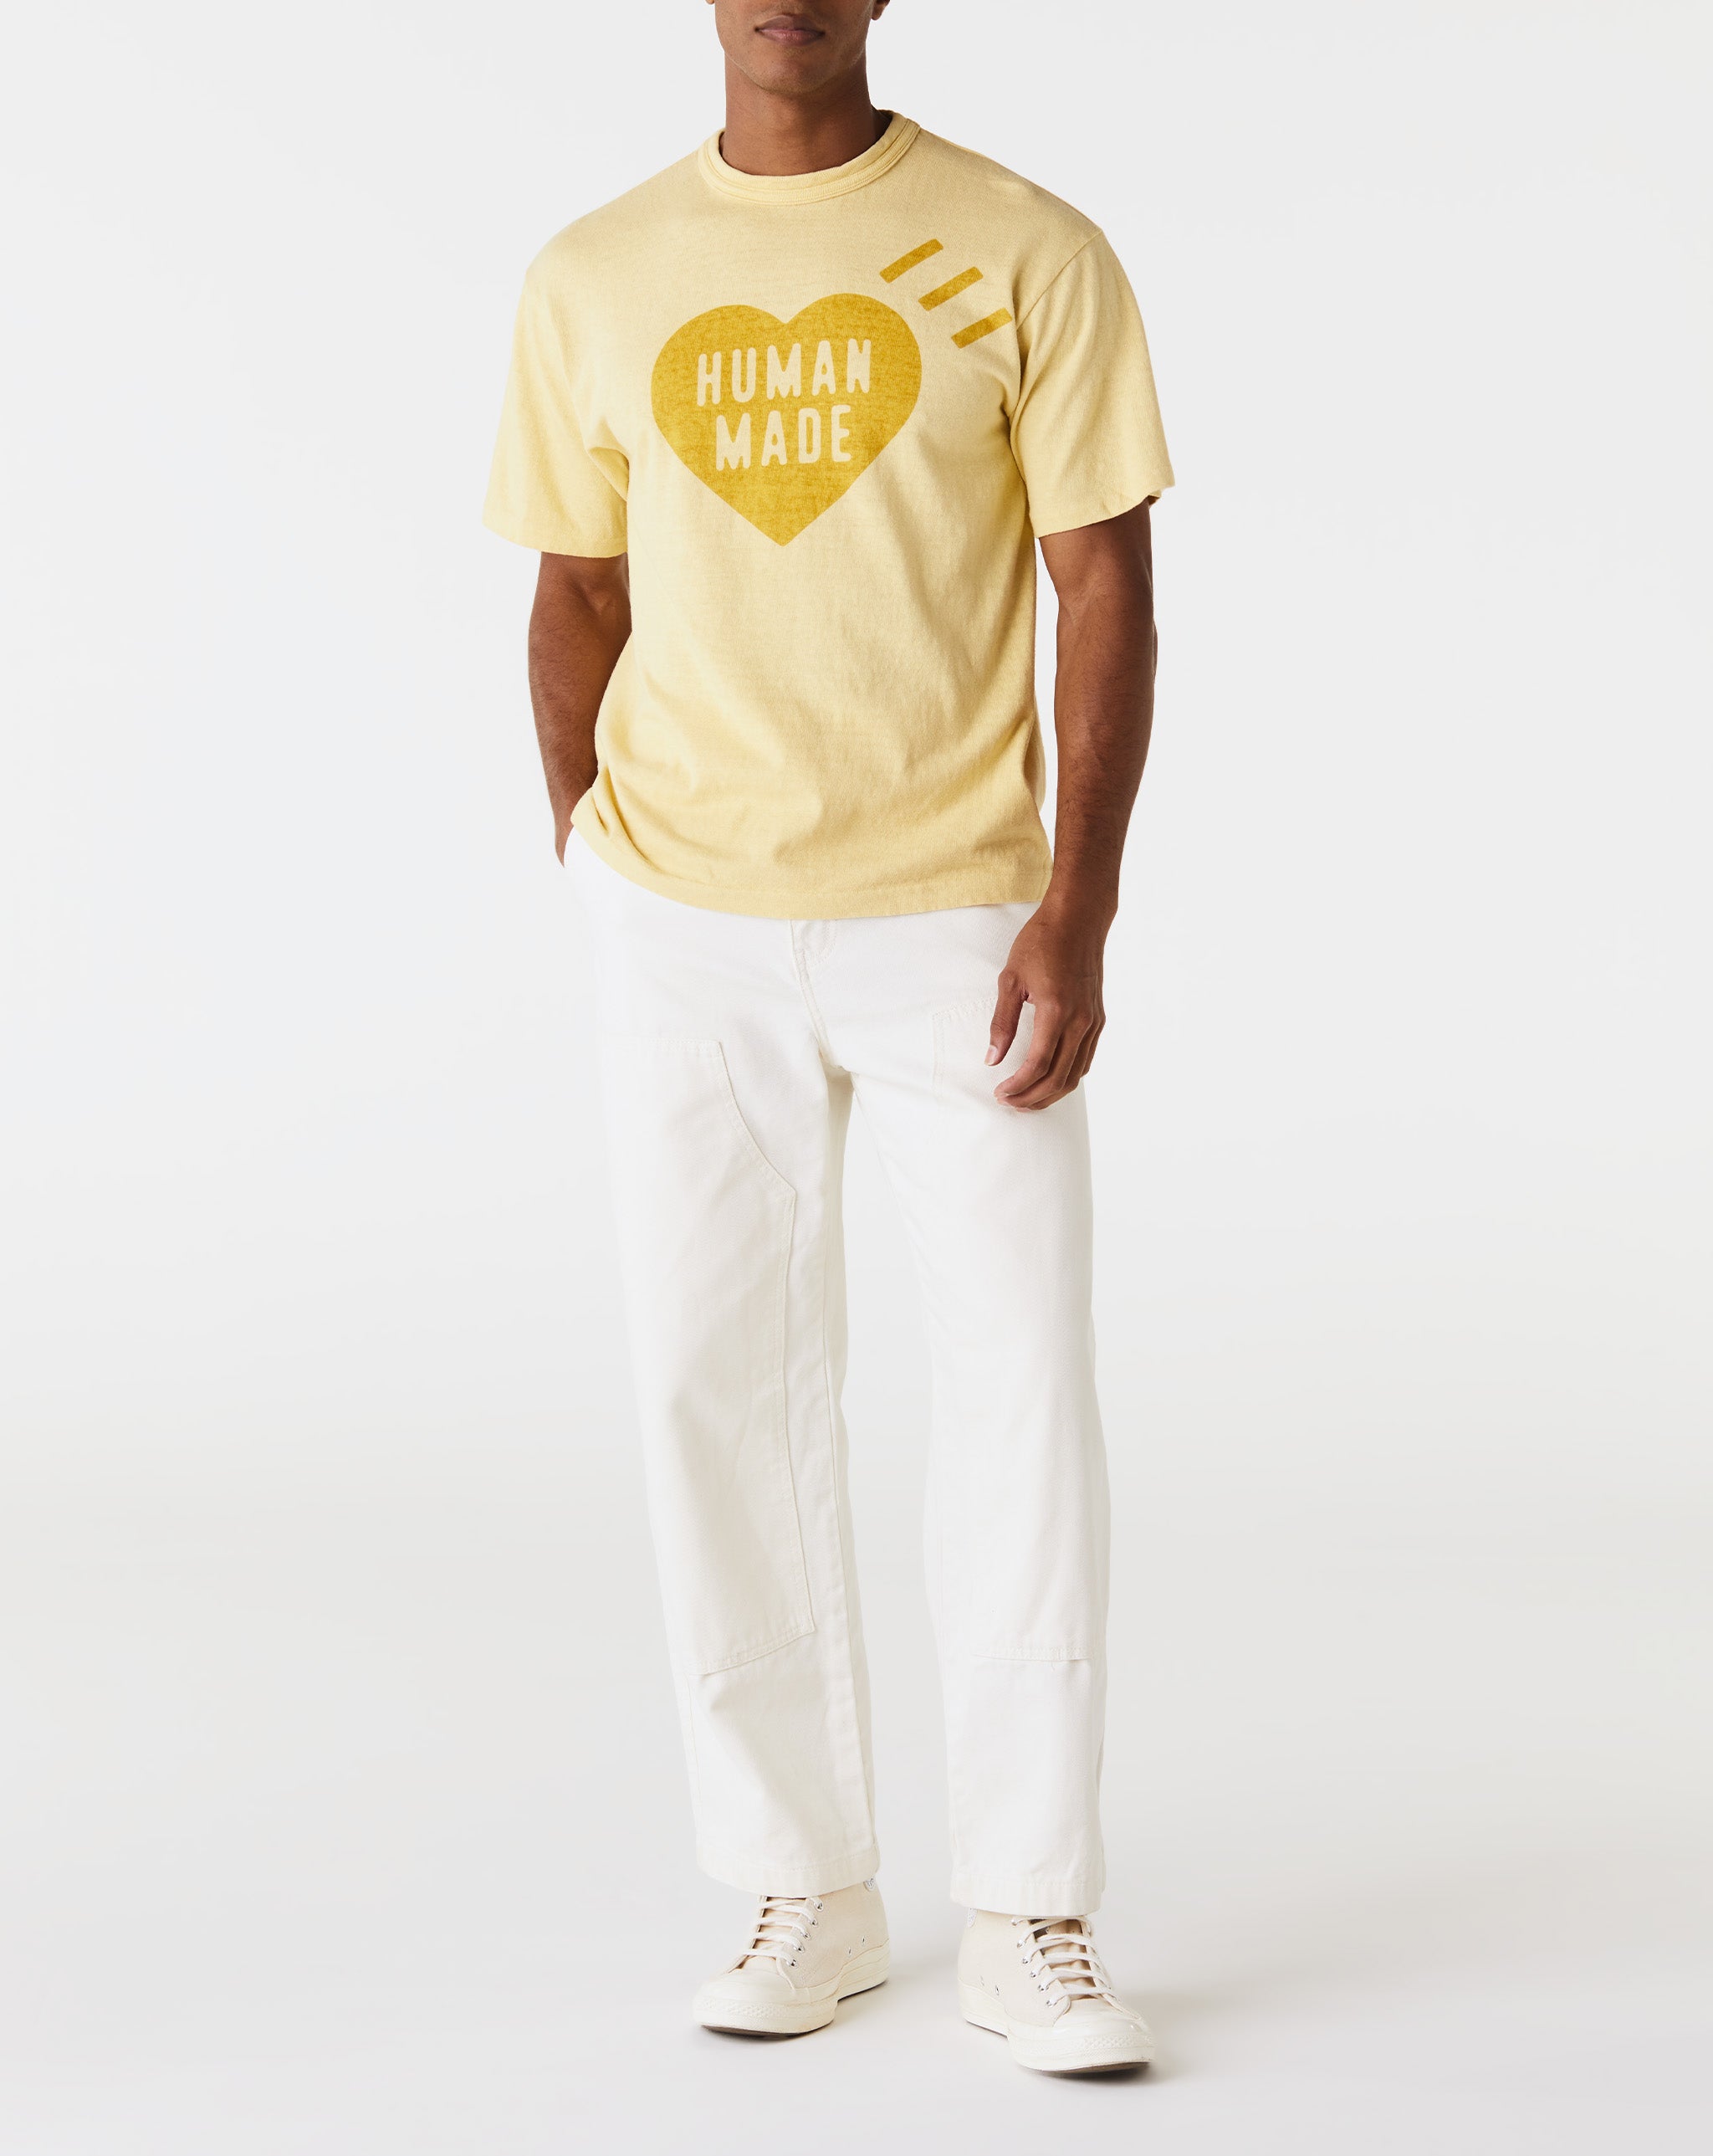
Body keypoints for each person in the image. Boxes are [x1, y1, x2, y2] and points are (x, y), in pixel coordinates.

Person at [484, 0, 1172, 2077]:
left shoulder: (1028, 245)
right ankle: (805, 1877)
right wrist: (593, 853)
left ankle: (1032, 1904)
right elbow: (575, 588)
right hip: (682, 917)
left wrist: (1077, 899)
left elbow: (1102, 582)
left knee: (1018, 1388)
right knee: (716, 1384)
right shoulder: (593, 272)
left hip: (956, 910)